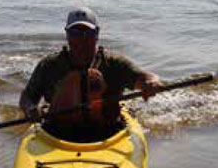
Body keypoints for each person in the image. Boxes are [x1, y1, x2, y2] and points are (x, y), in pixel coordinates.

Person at [20, 7, 163, 143]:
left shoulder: (114, 64)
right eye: (75, 33)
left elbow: (146, 78)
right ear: (67, 34)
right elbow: (27, 98)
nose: (82, 40)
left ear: (97, 34)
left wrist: (152, 83)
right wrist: (31, 109)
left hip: (109, 132)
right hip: (57, 132)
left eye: (88, 33)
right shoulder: (49, 65)